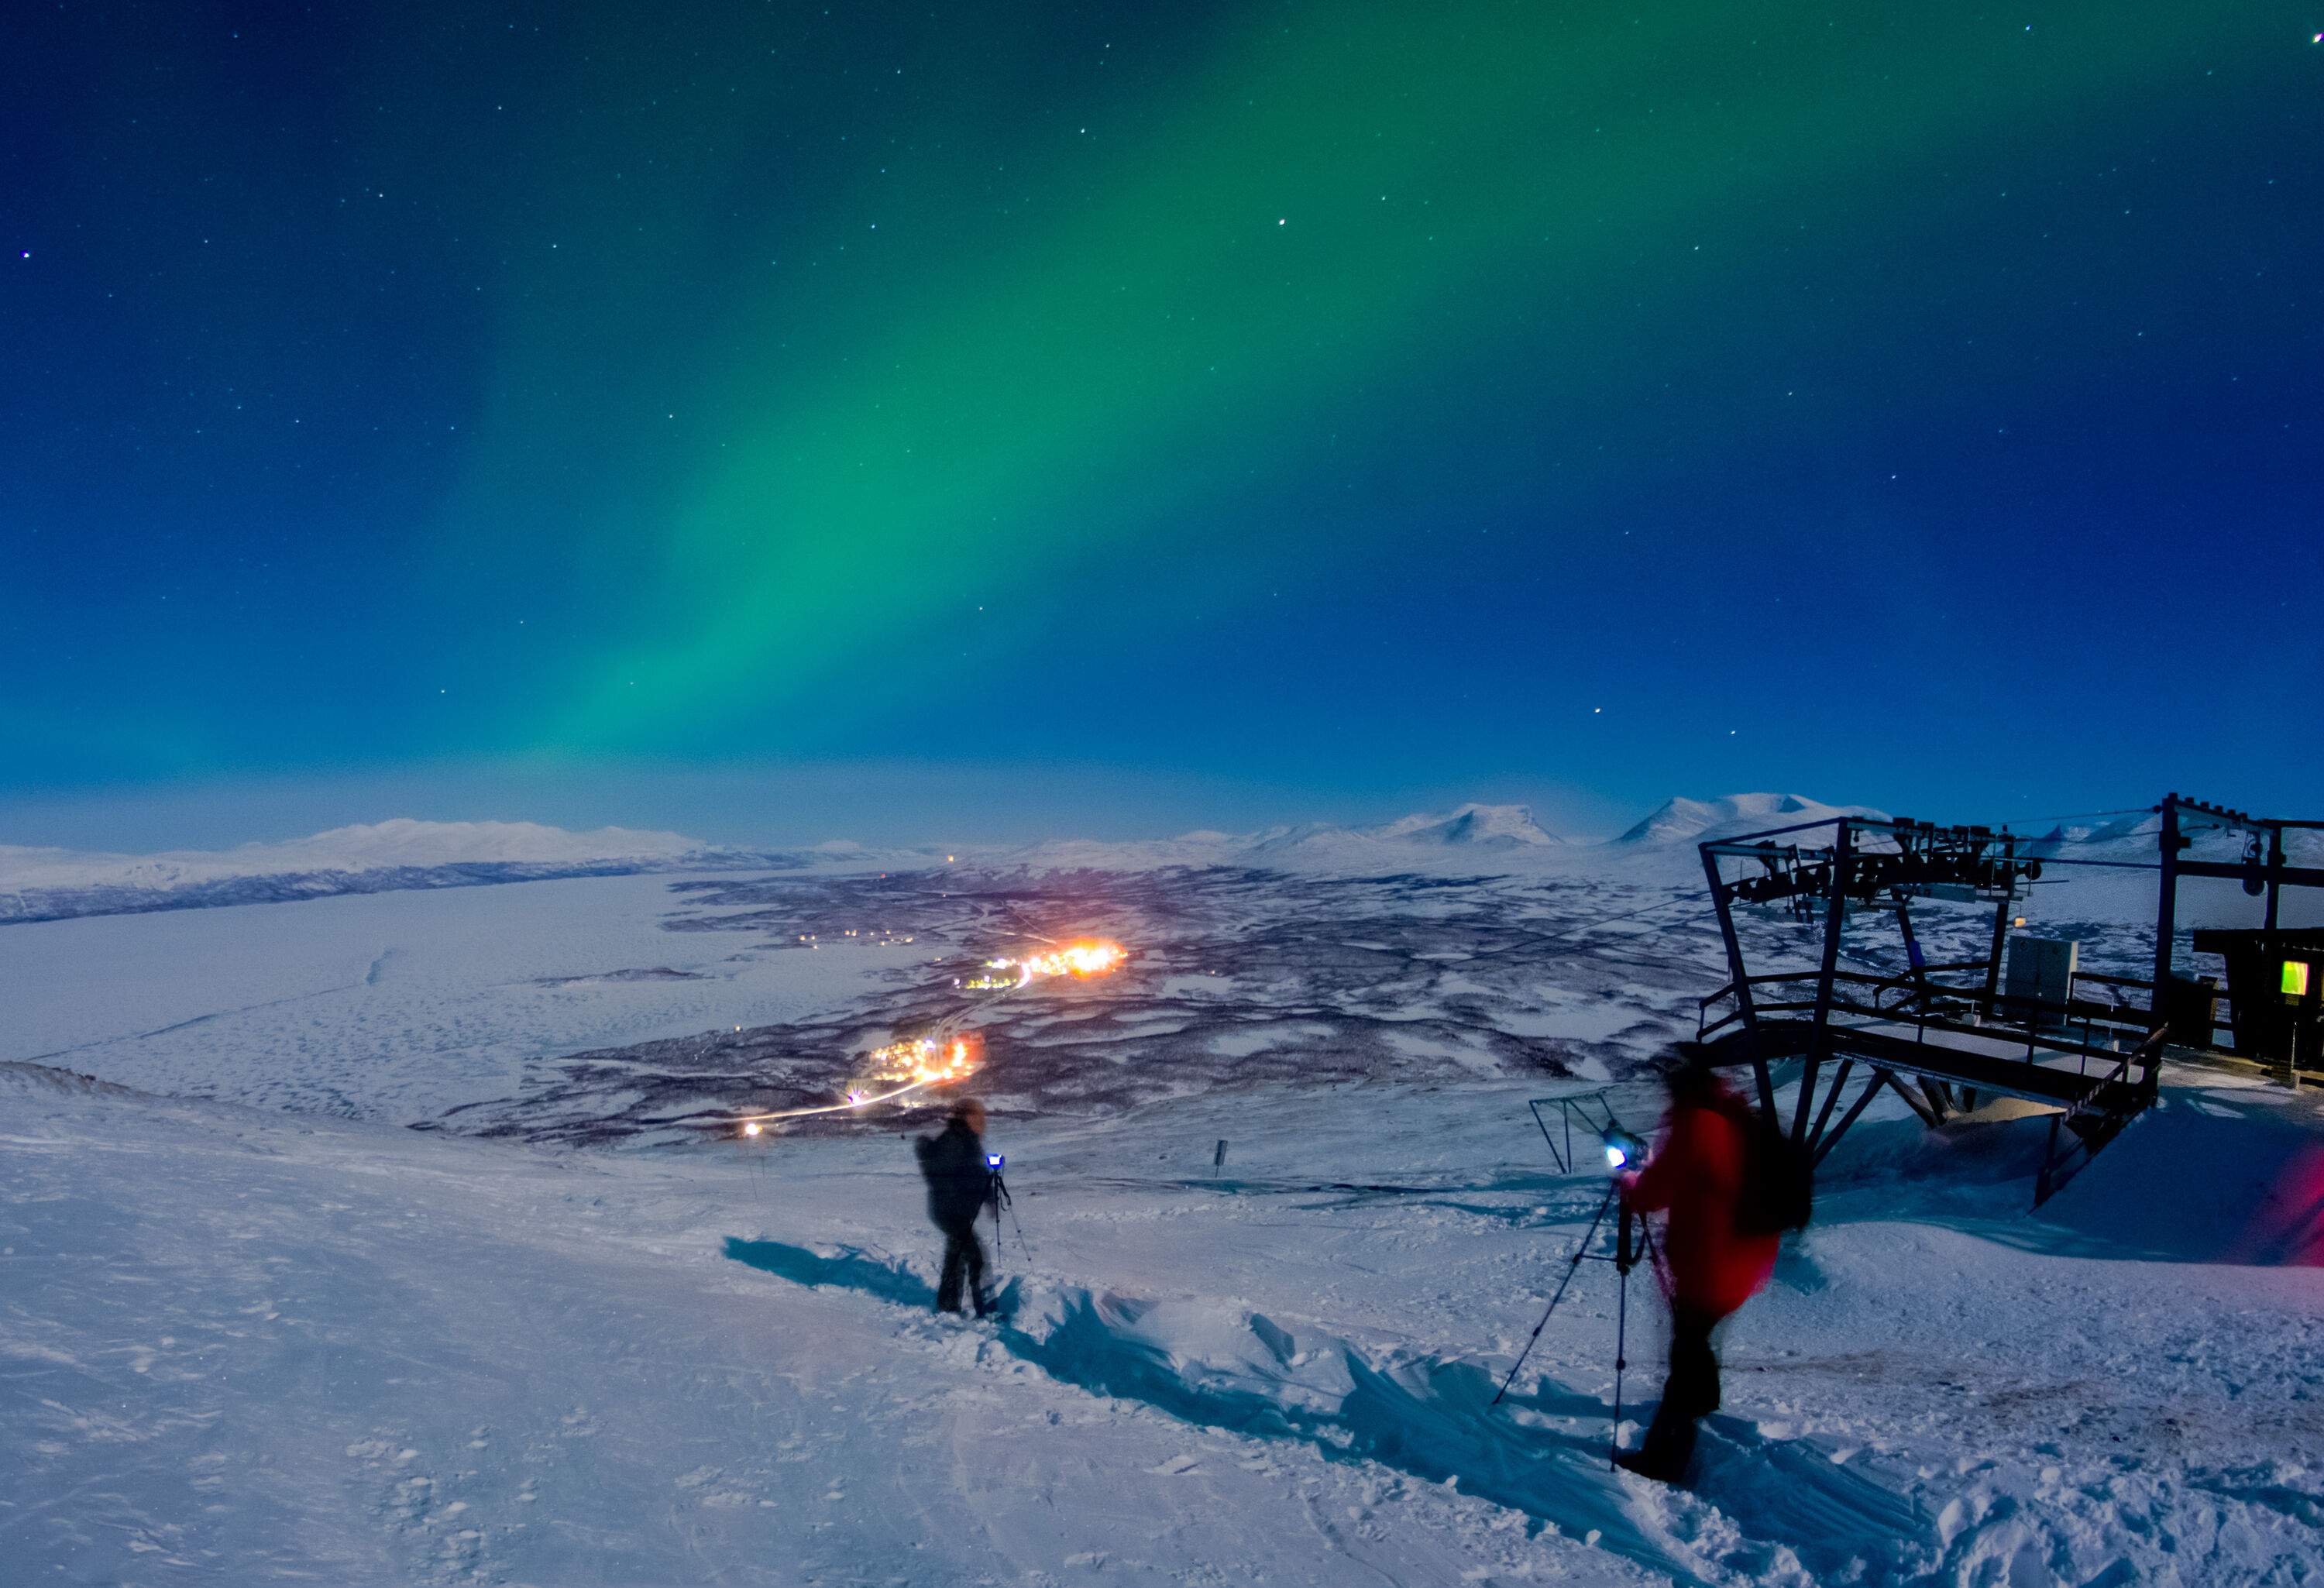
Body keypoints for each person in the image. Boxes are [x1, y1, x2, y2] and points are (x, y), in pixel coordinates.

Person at [1615, 1058, 1780, 1483]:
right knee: (1699, 1338)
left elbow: (1653, 1193)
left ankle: (1664, 1459)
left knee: (1685, 1356)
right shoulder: (1731, 1116)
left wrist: (1630, 1179)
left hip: (1710, 1266)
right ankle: (1704, 1402)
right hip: (1743, 1260)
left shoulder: (1695, 1124)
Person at [915, 1097, 995, 1317]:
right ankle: (986, 1309)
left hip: (956, 1211)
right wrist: (958, 1195)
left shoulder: (969, 1140)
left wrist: (989, 1197)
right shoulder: (953, 1140)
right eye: (978, 1117)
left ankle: (948, 1306)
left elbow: (977, 1173)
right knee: (975, 1257)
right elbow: (940, 1174)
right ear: (967, 1117)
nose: (982, 1121)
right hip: (950, 1212)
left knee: (956, 1257)